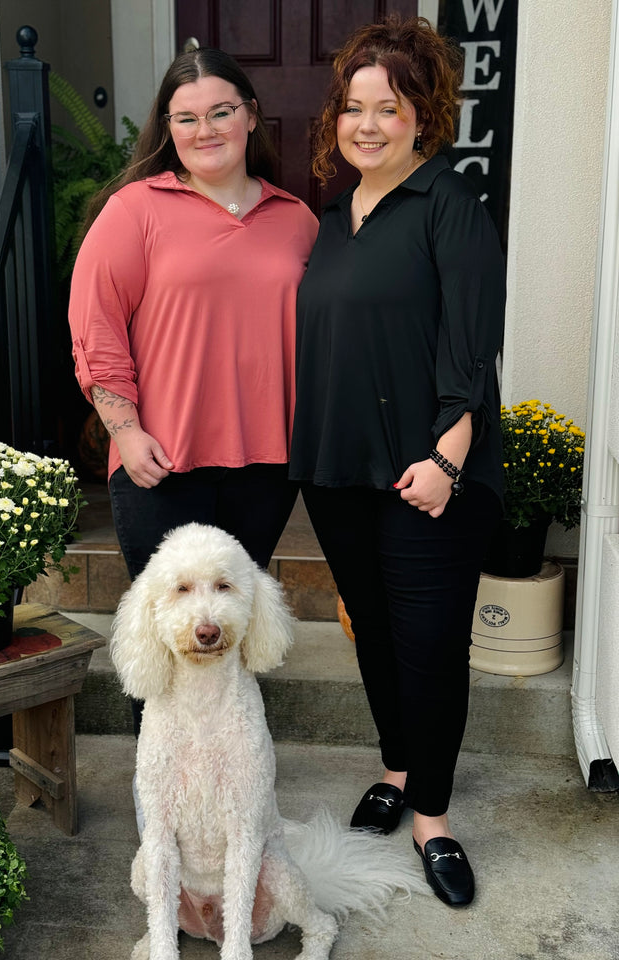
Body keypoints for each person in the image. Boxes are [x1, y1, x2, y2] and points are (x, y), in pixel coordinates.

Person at [289, 16, 505, 907]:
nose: (367, 124)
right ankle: (395, 766)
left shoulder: (452, 206)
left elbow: (470, 353)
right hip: (338, 469)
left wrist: (447, 460)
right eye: (353, 106)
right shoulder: (334, 220)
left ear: (425, 115)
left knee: (429, 647)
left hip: (426, 479)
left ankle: (434, 819)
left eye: (390, 107)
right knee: (372, 634)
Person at [69, 48, 318, 735]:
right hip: (160, 460)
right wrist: (124, 429)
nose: (205, 129)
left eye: (220, 112)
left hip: (267, 463)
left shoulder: (296, 218)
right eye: (186, 118)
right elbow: (96, 326)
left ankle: (229, 786)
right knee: (166, 639)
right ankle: (164, 809)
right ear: (168, 128)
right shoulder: (135, 210)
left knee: (227, 636)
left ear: (250, 116)